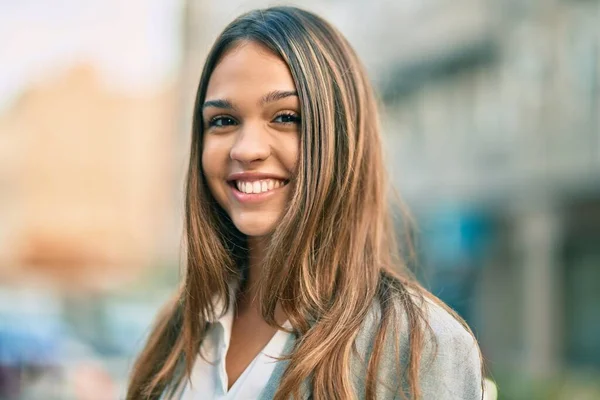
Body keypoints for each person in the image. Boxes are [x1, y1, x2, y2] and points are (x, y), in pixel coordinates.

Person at [127, 6, 484, 400]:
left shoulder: (420, 345)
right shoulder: (177, 330)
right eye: (223, 121)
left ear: (341, 137)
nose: (246, 149)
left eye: (284, 117)